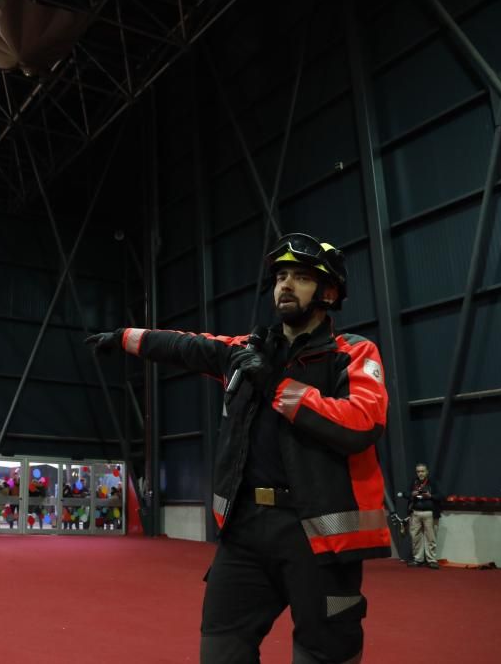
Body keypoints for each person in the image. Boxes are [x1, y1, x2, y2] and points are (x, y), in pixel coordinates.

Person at [86, 232, 391, 664]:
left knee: (326, 652)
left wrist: (278, 387)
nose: (285, 285)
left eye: (300, 277)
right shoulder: (246, 352)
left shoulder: (353, 353)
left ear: (328, 292)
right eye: (280, 276)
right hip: (245, 531)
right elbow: (186, 346)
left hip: (318, 537)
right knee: (220, 649)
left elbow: (364, 422)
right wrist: (123, 337)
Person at [407, 463, 442, 569]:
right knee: (415, 537)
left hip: (429, 513)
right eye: (418, 471)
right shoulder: (414, 482)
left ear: (427, 472)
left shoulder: (433, 482)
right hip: (416, 513)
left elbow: (441, 495)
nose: (420, 473)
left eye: (422, 471)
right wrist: (411, 494)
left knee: (430, 537)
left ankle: (431, 560)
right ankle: (418, 559)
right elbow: (407, 493)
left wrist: (430, 496)